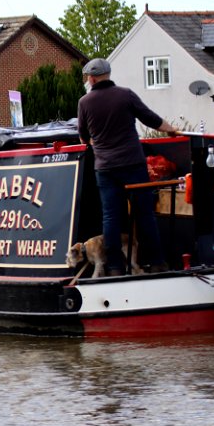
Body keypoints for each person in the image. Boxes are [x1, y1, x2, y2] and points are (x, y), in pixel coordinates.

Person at [76, 58, 179, 276]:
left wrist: (98, 144)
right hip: (132, 163)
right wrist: (170, 129)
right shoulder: (126, 95)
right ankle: (157, 262)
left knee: (111, 217)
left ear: (92, 79)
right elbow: (149, 118)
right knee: (145, 214)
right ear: (108, 75)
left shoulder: (84, 103)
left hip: (105, 168)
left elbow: (84, 137)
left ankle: (115, 267)